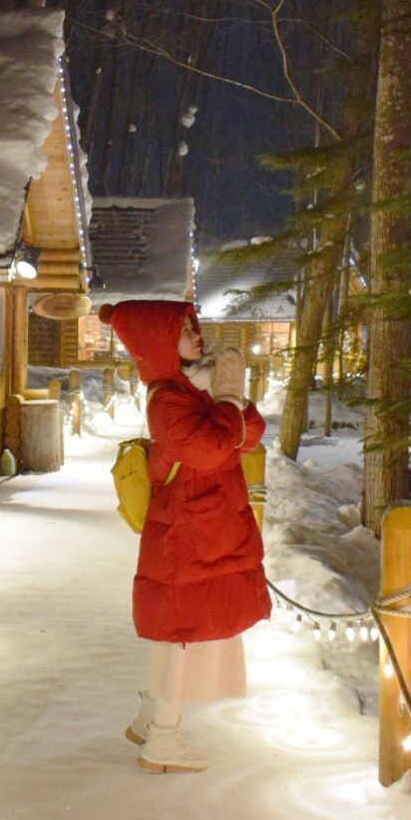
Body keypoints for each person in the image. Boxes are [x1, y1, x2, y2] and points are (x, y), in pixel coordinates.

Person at [96, 300, 269, 774]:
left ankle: (150, 717)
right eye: (183, 330)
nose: (197, 335)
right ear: (158, 343)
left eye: (194, 326)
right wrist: (229, 399)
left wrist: (227, 404)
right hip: (188, 532)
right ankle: (164, 741)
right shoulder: (168, 399)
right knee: (179, 630)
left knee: (187, 625)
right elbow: (212, 449)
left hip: (205, 527)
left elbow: (251, 432)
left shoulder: (193, 389)